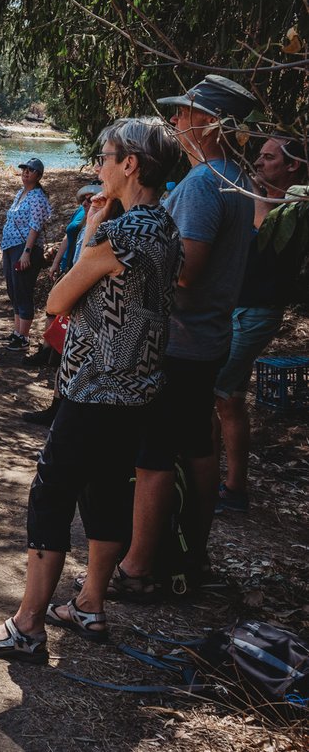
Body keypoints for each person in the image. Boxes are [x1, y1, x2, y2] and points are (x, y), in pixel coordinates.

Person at [0, 117, 183, 663]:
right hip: (136, 390)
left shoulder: (123, 234)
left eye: (105, 155)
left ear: (129, 164)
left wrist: (91, 229)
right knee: (106, 490)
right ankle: (89, 605)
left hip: (94, 389)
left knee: (52, 494)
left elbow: (58, 300)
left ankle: (28, 625)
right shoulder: (164, 227)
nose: (98, 165)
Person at [103, 75, 257, 598]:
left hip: (179, 340)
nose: (175, 123)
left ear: (211, 123)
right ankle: (193, 552)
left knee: (153, 456)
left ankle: (138, 568)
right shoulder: (235, 178)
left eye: (185, 114)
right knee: (196, 445)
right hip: (209, 338)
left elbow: (186, 269)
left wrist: (127, 259)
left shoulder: (201, 184)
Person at [212, 136, 308, 513]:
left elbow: (259, 221)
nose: (259, 162)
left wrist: (250, 186)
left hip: (255, 314)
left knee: (210, 393)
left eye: (269, 157)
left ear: (292, 166)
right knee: (231, 401)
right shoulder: (269, 198)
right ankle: (234, 487)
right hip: (237, 309)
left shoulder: (294, 206)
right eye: (260, 156)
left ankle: (201, 481)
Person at [23, 184, 102, 370]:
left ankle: (57, 354)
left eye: (90, 198)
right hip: (69, 266)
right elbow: (67, 237)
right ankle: (47, 350)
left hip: (79, 271)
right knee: (53, 310)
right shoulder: (79, 214)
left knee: (66, 312)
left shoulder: (99, 220)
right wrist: (56, 262)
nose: (86, 202)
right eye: (84, 198)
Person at [0, 158, 53, 351]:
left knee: (23, 291)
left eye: (31, 170)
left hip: (25, 249)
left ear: (38, 175)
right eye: (24, 169)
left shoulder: (38, 197)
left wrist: (27, 252)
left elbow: (35, 226)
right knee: (13, 290)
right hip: (11, 246)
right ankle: (16, 332)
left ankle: (24, 337)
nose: (26, 172)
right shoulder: (21, 192)